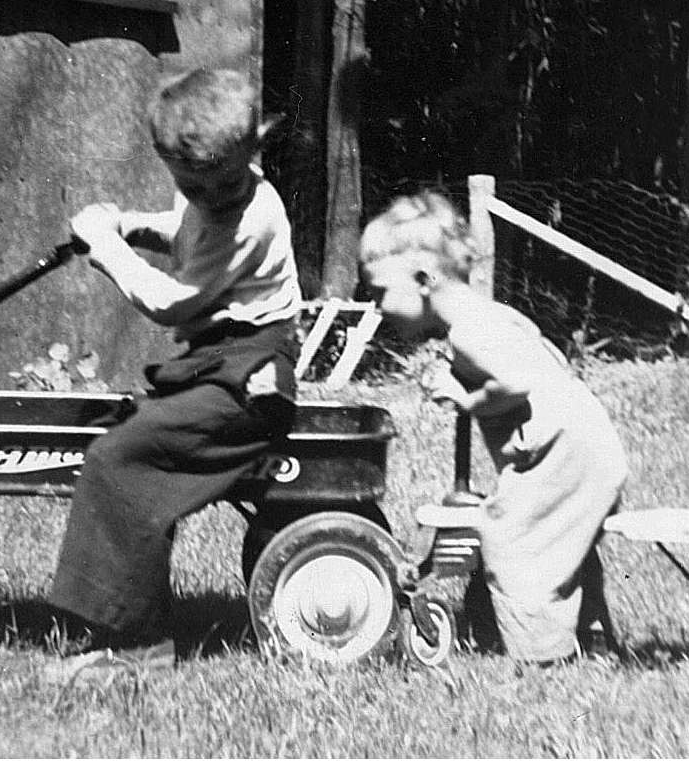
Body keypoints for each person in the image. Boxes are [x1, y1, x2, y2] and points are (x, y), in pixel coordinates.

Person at [48, 67, 303, 681]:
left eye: (224, 180)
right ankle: (117, 624)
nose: (210, 195)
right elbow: (191, 233)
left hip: (249, 378)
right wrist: (134, 225)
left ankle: (134, 646)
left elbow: (173, 303)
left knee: (124, 458)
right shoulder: (215, 199)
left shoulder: (249, 217)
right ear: (171, 166)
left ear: (253, 149)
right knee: (131, 441)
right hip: (217, 363)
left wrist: (106, 247)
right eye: (193, 184)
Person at [359, 192, 629, 665]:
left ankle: (542, 659)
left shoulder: (468, 330)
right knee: (561, 545)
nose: (377, 305)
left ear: (423, 280)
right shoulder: (491, 315)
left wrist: (468, 399)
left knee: (515, 540)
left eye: (380, 291)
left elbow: (516, 382)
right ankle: (594, 641)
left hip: (564, 453)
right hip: (586, 442)